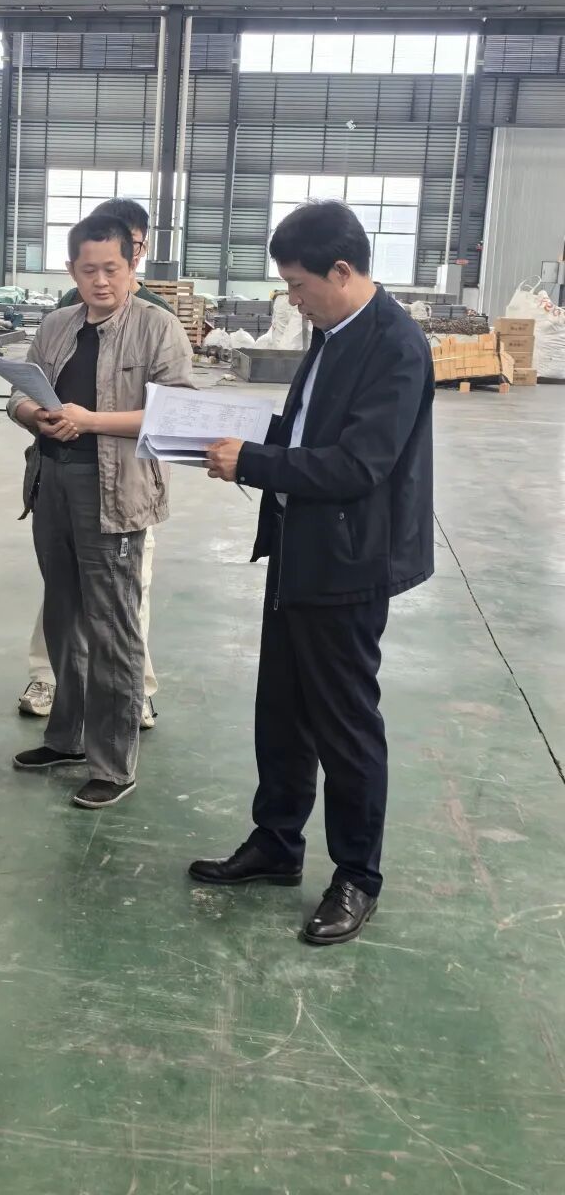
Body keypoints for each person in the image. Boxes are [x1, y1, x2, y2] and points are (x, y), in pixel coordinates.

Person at [190, 200, 434, 946]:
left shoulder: (394, 346)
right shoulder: (332, 334)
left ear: (342, 270)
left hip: (347, 563)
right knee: (283, 711)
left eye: (298, 284)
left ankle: (357, 875)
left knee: (346, 726)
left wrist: (254, 463)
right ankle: (277, 842)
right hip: (300, 551)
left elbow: (359, 464)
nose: (291, 299)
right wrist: (231, 437)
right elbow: (304, 433)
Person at [9, 213, 194, 809]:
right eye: (88, 270)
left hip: (113, 490)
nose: (101, 281)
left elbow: (175, 414)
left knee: (113, 626)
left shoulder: (157, 328)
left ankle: (113, 764)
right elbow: (18, 395)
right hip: (52, 484)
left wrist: (90, 421)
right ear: (71, 270)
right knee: (63, 617)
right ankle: (65, 738)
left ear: (132, 264)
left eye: (111, 268)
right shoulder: (57, 325)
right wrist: (36, 415)